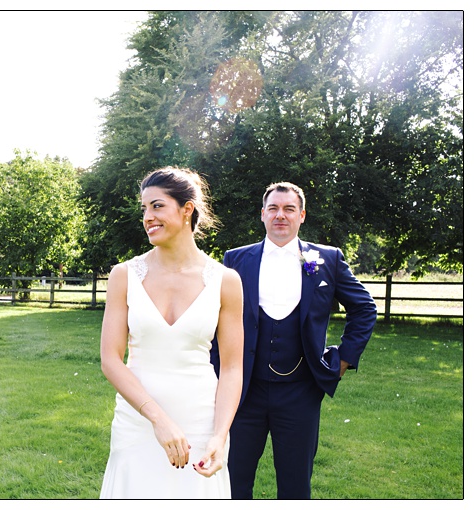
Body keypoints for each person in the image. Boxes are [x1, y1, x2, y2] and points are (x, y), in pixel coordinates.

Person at [211, 182, 377, 499]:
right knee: (232, 482)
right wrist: (215, 371)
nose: (280, 216)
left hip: (301, 392)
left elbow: (364, 308)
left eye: (289, 209)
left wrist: (341, 362)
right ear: (262, 215)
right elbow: (214, 318)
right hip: (243, 392)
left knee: (296, 485)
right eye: (273, 208)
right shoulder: (235, 259)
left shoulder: (327, 259)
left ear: (301, 215)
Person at [100, 167, 245, 498]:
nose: (147, 217)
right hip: (138, 422)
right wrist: (157, 419)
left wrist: (219, 436)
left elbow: (233, 367)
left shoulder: (226, 281)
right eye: (144, 209)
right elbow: (110, 359)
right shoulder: (123, 275)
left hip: (200, 420)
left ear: (187, 209)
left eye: (157, 206)